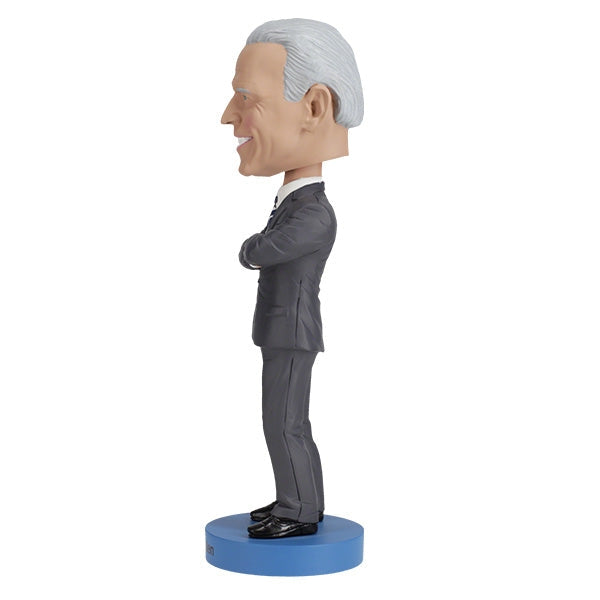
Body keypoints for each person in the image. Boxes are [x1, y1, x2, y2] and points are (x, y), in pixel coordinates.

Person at [221, 18, 363, 539]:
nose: (228, 115)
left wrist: (249, 248)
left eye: (246, 97)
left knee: (286, 424)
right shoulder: (296, 205)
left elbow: (264, 250)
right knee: (283, 423)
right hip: (283, 332)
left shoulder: (313, 214)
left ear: (314, 107)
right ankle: (297, 502)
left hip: (292, 333)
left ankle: (299, 511)